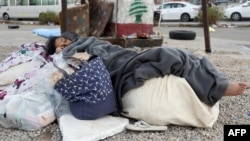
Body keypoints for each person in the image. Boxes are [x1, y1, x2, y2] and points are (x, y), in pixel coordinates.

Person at [45, 31, 249, 114]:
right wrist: (64, 54)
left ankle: (217, 82)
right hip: (120, 68)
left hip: (124, 57)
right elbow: (85, 64)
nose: (63, 44)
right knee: (170, 54)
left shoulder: (86, 40)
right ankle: (219, 86)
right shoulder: (65, 56)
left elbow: (106, 49)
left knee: (184, 54)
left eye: (64, 40)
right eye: (58, 45)